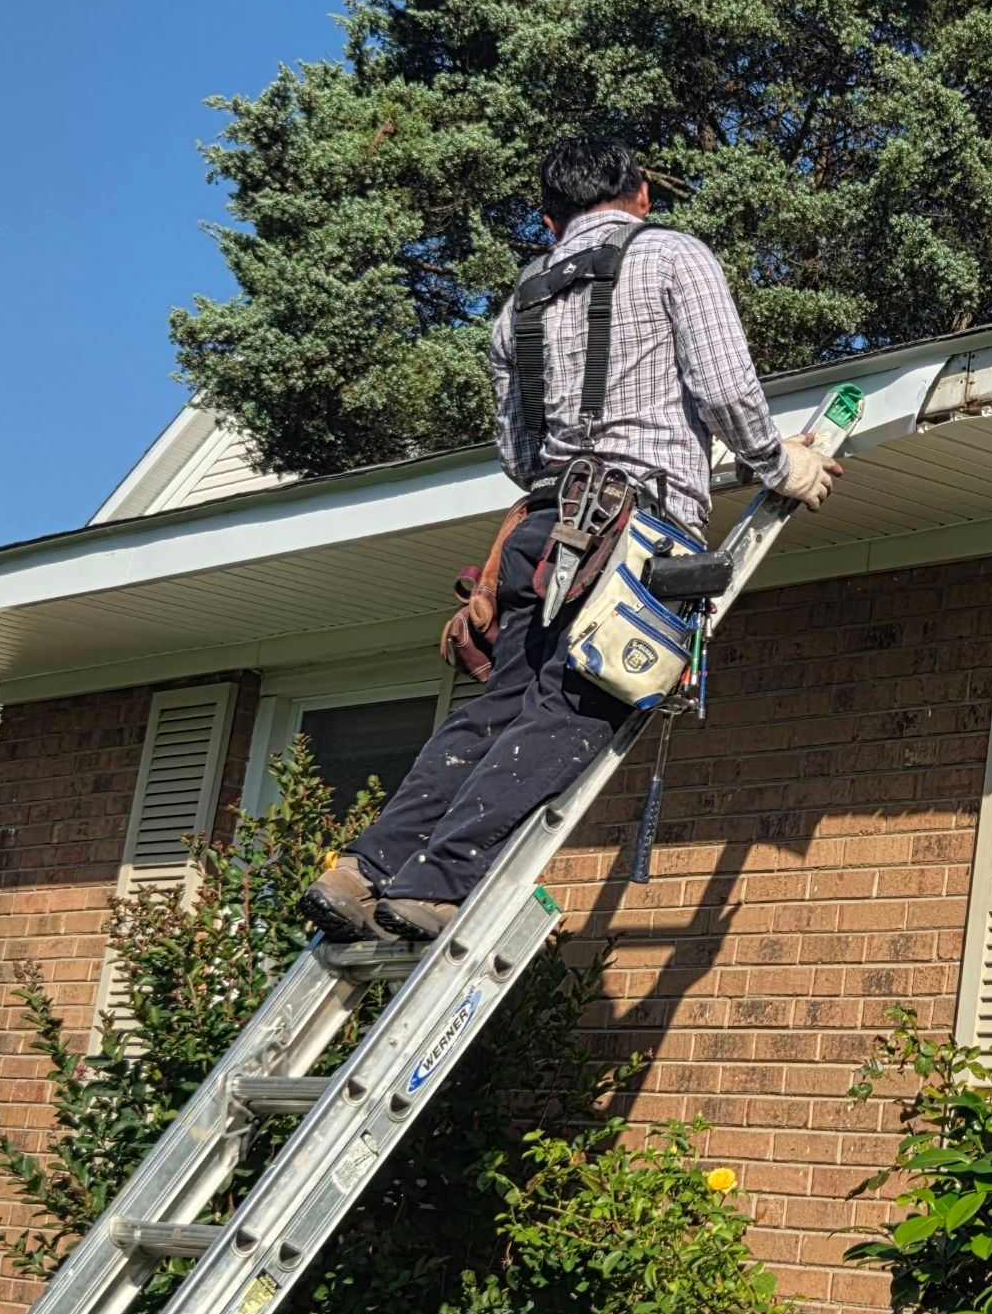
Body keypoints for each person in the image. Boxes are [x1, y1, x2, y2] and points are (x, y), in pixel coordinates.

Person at [302, 136, 841, 941]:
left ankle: (367, 868)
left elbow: (520, 454)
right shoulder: (672, 257)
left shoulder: (517, 303)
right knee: (584, 703)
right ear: (643, 193)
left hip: (543, 529)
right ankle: (435, 884)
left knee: (503, 704)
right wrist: (778, 462)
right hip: (635, 531)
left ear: (550, 221)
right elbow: (727, 390)